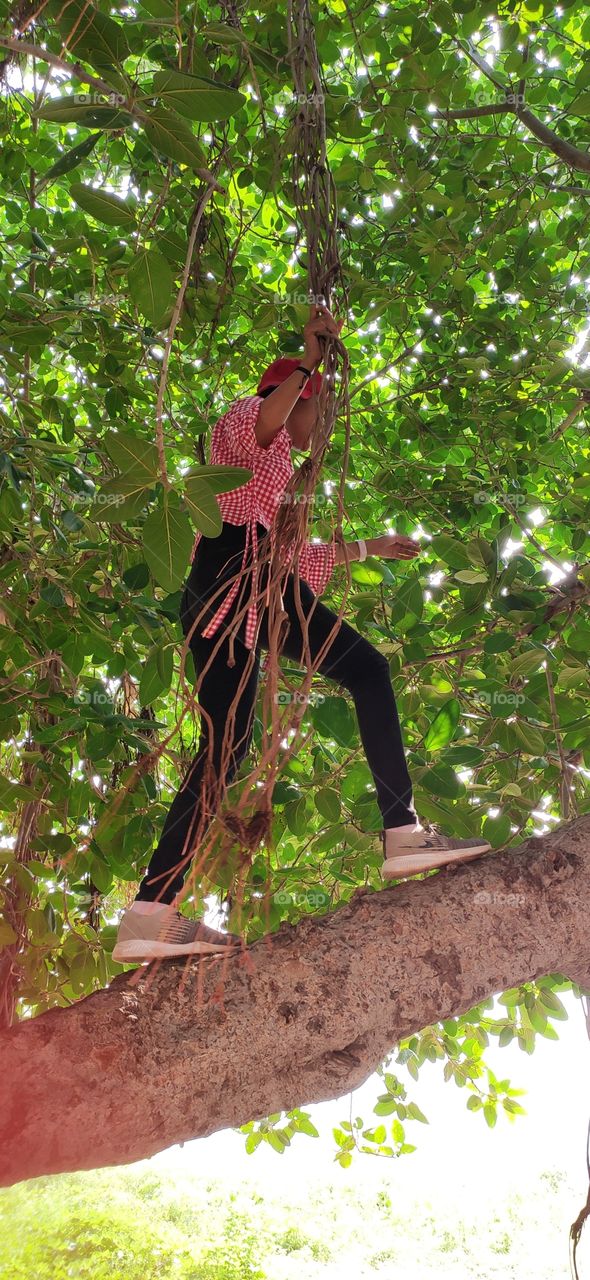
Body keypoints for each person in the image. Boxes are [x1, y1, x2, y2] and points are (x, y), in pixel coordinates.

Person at [113, 304, 490, 963]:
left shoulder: (275, 477)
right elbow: (261, 426)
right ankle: (401, 832)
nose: (324, 425)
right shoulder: (247, 424)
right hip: (237, 581)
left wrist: (369, 547)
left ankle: (149, 911)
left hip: (234, 598)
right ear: (297, 394)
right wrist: (309, 359)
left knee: (225, 750)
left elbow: (291, 556)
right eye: (321, 408)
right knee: (367, 670)